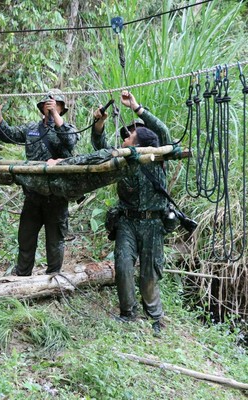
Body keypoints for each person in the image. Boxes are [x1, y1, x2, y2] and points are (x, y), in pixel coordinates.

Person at [91, 90, 171, 335]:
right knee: (123, 266)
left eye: (130, 136)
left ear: (141, 142)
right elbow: (101, 147)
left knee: (149, 271)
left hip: (153, 224)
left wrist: (137, 107)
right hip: (127, 221)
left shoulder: (158, 159)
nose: (125, 138)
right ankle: (128, 313)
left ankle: (155, 315)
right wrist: (99, 124)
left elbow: (164, 133)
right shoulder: (122, 163)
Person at [0, 90, 79, 276]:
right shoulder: (31, 129)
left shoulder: (68, 129)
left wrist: (55, 115)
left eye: (56, 104)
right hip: (33, 196)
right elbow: (8, 134)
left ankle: (53, 278)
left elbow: (69, 142)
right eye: (47, 104)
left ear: (62, 108)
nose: (51, 105)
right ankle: (22, 275)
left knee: (55, 242)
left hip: (57, 196)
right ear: (41, 108)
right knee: (26, 238)